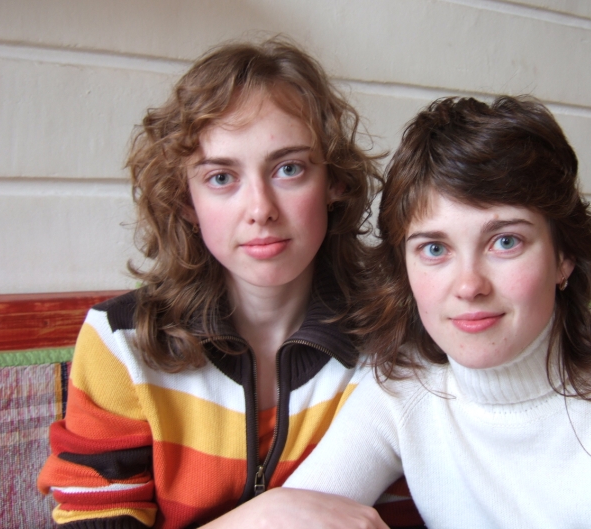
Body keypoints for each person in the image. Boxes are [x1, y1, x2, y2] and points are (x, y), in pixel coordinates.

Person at [284, 96, 591, 528]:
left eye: (505, 242)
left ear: (564, 257)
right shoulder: (403, 389)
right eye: (434, 249)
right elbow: (288, 516)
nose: (469, 285)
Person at [38, 38, 415, 529]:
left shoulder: (391, 335)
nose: (260, 209)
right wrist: (264, 517)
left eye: (289, 169)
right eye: (221, 177)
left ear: (335, 183)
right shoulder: (122, 342)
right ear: (185, 202)